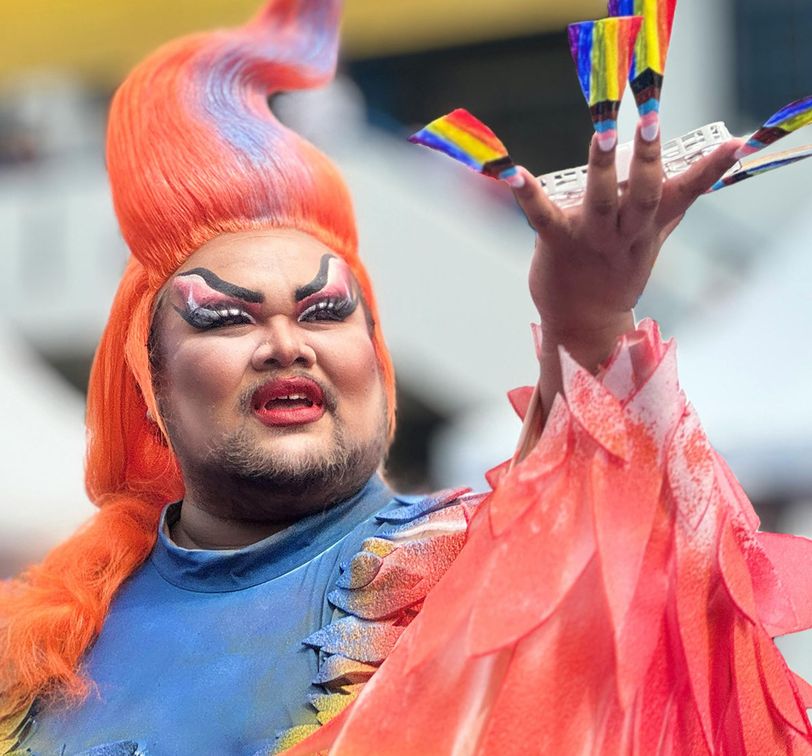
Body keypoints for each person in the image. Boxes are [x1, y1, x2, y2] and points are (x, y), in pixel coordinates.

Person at [2, 1, 810, 754]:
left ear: (378, 364)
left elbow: (602, 562)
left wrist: (590, 322)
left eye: (324, 312)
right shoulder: (42, 644)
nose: (287, 343)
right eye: (227, 316)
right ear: (150, 383)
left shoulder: (446, 565)